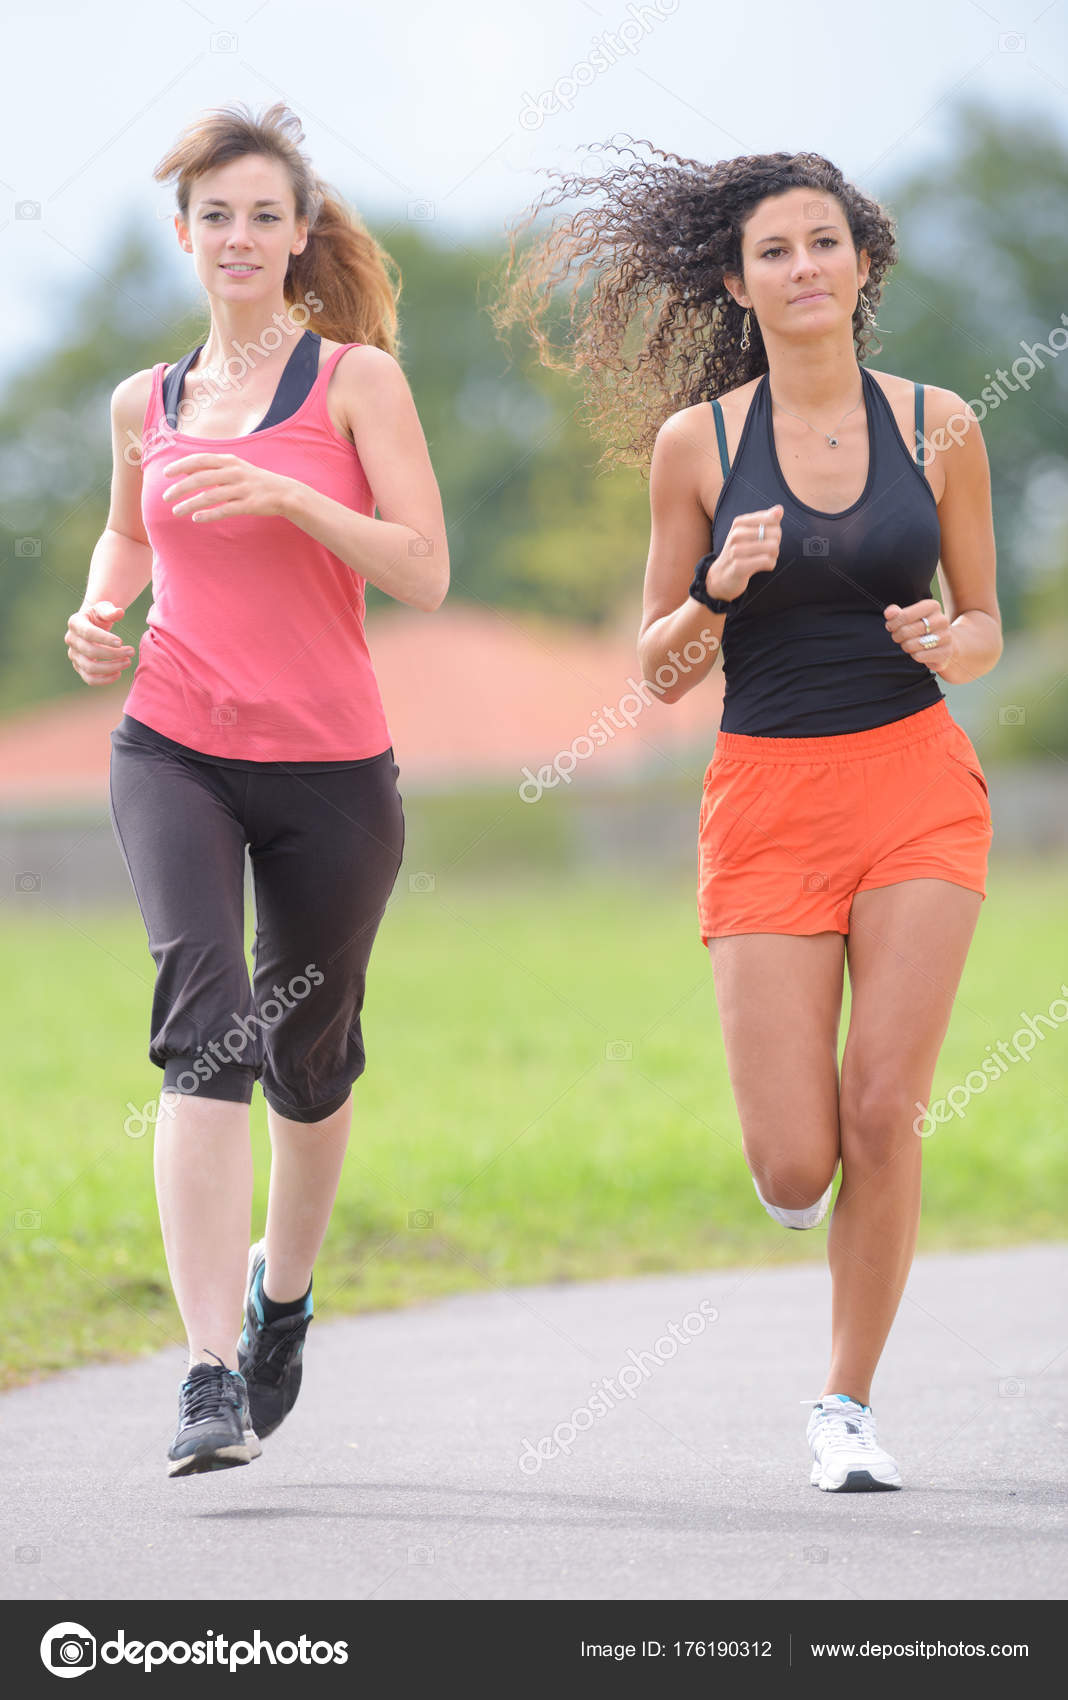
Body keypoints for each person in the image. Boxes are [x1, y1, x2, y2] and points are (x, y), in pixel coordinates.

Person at [492, 143, 998, 1491]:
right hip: (767, 797)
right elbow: (655, 669)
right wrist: (715, 591)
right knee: (794, 1160)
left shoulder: (942, 423)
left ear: (863, 260)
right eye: (774, 251)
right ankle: (801, 1204)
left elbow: (989, 624)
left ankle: (845, 1404)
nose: (804, 268)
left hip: (917, 788)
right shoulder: (698, 444)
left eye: (824, 242)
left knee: (885, 1111)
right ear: (738, 280)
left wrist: (957, 641)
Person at [65, 102, 448, 1477]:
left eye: (263, 216)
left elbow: (423, 567)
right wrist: (102, 609)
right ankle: (205, 1377)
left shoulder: (356, 385)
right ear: (187, 236)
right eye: (215, 216)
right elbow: (126, 531)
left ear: (301, 238)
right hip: (172, 743)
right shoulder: (144, 401)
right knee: (205, 1027)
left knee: (311, 1054)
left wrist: (291, 500)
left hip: (333, 770)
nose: (239, 237)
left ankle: (279, 1300)